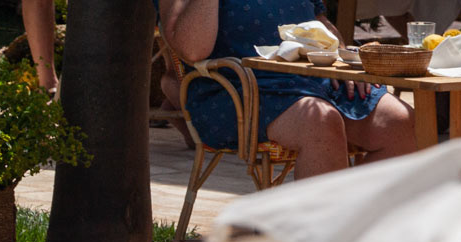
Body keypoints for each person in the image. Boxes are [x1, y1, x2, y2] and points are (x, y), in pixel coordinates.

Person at [161, 0, 415, 179]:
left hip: (313, 76)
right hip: (239, 88)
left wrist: (343, 58)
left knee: (402, 123)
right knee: (319, 123)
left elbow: (318, 21)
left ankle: (354, 224)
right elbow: (192, 50)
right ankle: (324, 235)